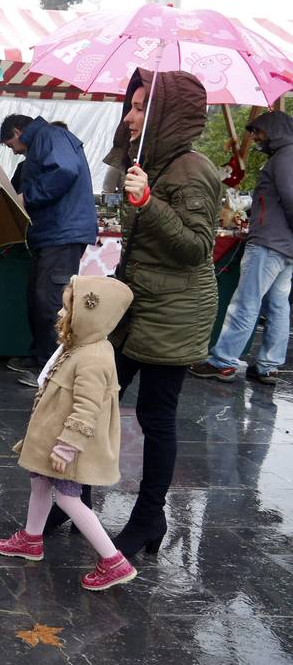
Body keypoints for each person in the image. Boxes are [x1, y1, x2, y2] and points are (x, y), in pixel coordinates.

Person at [103, 68, 221, 558]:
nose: (129, 117)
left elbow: (195, 247)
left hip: (175, 311)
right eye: (130, 106)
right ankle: (72, 501)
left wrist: (148, 202)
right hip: (138, 304)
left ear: (164, 114)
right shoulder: (151, 160)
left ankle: (149, 517)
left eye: (138, 108)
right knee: (98, 398)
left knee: (156, 416)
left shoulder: (193, 170)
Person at [0, 276, 138, 591]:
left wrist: (67, 447)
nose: (59, 313)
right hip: (52, 439)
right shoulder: (80, 346)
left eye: (68, 308)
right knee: (39, 480)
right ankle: (31, 538)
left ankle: (113, 561)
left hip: (67, 446)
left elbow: (87, 409)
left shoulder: (94, 357)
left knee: (69, 499)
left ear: (90, 315)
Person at [192, 110, 293, 386]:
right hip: (285, 247)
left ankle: (222, 361)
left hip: (269, 245)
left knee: (246, 303)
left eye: (259, 133)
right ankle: (268, 366)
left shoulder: (284, 159)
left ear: (273, 131)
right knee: (277, 306)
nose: (257, 138)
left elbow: (289, 198)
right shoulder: (287, 156)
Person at [0, 114, 98, 388]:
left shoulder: (49, 136)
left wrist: (27, 197)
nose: (14, 151)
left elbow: (64, 171)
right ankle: (39, 355)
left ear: (18, 131)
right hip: (52, 233)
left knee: (51, 301)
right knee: (37, 297)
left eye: (11, 144)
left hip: (63, 233)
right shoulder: (43, 142)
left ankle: (51, 367)